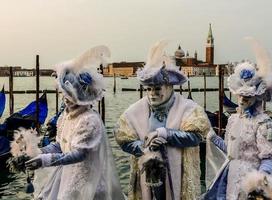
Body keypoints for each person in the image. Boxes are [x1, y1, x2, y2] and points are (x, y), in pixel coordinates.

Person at [114, 41, 211, 200]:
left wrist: (166, 134)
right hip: (147, 175)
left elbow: (196, 137)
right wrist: (145, 148)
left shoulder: (188, 108)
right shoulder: (135, 110)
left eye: (157, 88)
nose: (152, 93)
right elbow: (124, 140)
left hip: (177, 173)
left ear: (169, 87)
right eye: (149, 89)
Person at [25, 46, 124, 200]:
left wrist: (45, 160)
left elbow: (80, 153)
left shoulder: (90, 120)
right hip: (66, 174)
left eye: (69, 96)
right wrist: (36, 153)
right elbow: (59, 145)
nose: (65, 100)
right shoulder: (65, 116)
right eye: (64, 95)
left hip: (88, 180)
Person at [205, 59, 272, 199]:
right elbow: (231, 151)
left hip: (250, 180)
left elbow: (268, 158)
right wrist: (213, 137)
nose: (242, 99)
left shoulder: (264, 124)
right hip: (231, 177)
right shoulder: (233, 119)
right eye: (241, 95)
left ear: (257, 97)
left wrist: (259, 182)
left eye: (247, 96)